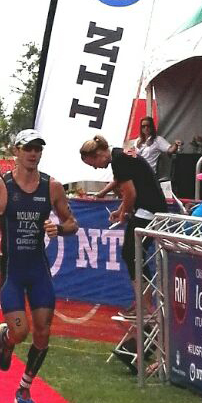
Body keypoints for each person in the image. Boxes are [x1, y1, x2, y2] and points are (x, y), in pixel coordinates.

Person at [0, 129, 78, 403]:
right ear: (16, 152)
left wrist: (57, 228)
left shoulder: (52, 187)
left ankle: (24, 388)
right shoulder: (0, 186)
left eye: (38, 148)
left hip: (38, 270)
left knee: (43, 332)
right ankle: (6, 340)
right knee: (20, 332)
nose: (33, 153)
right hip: (12, 271)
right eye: (28, 148)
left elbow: (72, 223)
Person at [80, 135, 167, 318]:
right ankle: (143, 302)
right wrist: (122, 210)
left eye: (93, 163)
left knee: (131, 253)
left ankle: (145, 305)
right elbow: (132, 185)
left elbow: (130, 192)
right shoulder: (122, 155)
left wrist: (122, 214)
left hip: (149, 209)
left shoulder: (119, 160)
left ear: (99, 154)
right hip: (150, 206)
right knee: (134, 254)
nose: (96, 167)